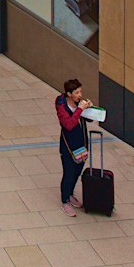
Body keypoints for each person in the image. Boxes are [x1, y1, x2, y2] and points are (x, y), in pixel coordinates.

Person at [55, 79, 92, 215]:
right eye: (77, 92)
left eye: (80, 91)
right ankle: (65, 200)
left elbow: (88, 119)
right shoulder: (62, 106)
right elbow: (69, 124)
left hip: (81, 143)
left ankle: (70, 194)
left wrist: (88, 109)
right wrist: (80, 110)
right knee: (69, 173)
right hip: (68, 146)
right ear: (69, 94)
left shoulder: (78, 104)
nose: (80, 95)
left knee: (77, 172)